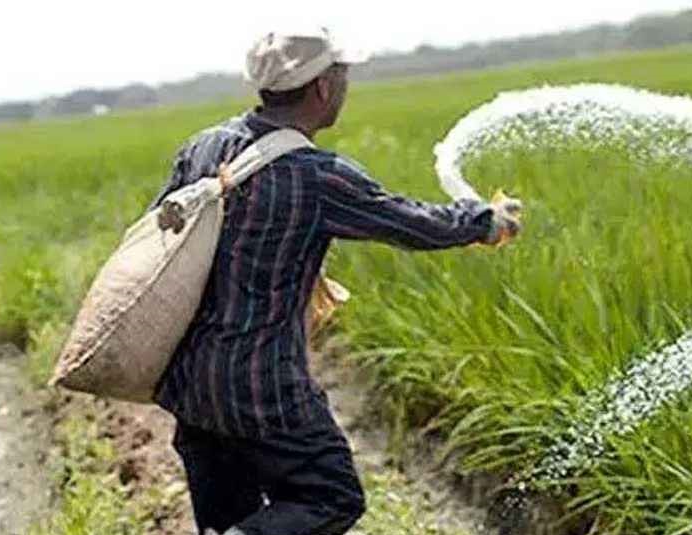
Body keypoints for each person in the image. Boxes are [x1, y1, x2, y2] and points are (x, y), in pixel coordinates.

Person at [150, 27, 521, 535]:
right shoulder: (316, 174)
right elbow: (410, 223)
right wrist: (485, 221)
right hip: (262, 387)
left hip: (191, 383)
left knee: (228, 519)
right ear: (323, 87)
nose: (345, 85)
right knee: (331, 496)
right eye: (341, 74)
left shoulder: (203, 148)